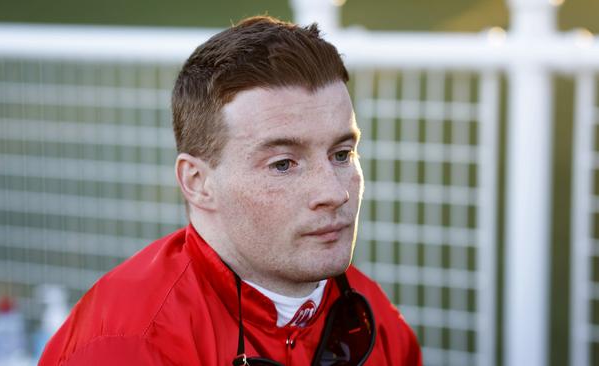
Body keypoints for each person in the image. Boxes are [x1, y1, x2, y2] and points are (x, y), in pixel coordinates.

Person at [38, 15, 422, 365]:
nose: (334, 193)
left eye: (341, 154)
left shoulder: (370, 311)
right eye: (283, 164)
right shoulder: (130, 348)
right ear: (197, 183)